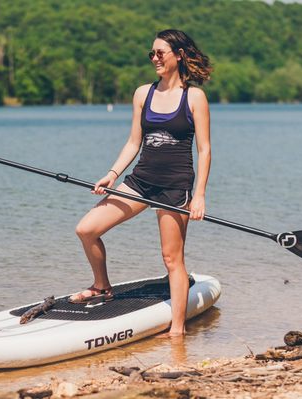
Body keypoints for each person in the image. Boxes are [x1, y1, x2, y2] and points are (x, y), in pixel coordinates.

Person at [69, 29, 212, 338]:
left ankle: (177, 330)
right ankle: (101, 286)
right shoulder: (142, 94)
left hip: (175, 187)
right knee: (87, 229)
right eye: (151, 54)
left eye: (160, 53)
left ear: (179, 55)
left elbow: (204, 149)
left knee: (172, 258)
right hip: (141, 181)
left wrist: (198, 195)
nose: (154, 59)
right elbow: (134, 142)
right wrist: (112, 174)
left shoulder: (194, 97)